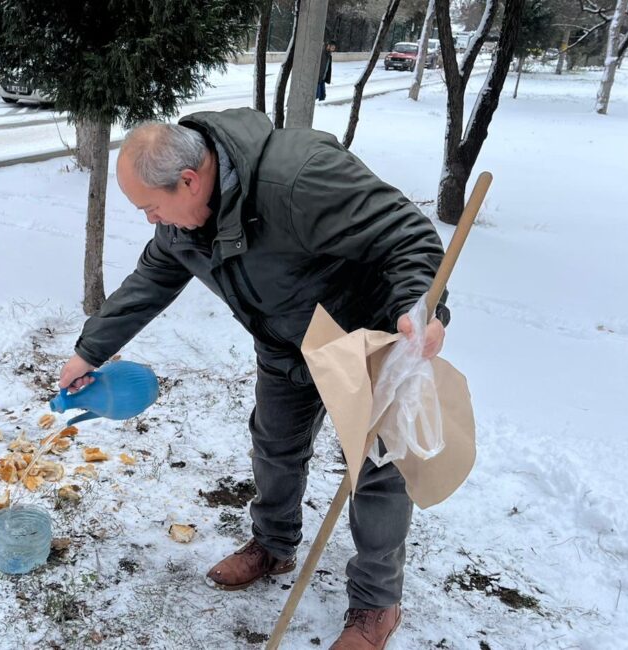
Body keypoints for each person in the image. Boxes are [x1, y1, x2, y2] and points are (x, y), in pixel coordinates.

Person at [57, 108, 450, 650]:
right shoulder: (182, 221)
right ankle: (273, 543)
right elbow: (153, 277)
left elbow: (407, 235)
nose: (151, 220)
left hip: (363, 337)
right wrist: (88, 350)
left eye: (150, 206)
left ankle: (375, 605)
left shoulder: (298, 177)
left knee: (378, 470)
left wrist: (418, 307)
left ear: (190, 180)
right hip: (285, 342)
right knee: (274, 446)